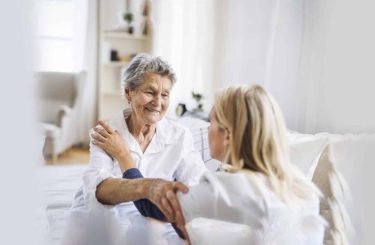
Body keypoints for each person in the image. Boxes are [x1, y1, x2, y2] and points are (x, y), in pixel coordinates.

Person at [94, 84, 325, 244]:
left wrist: (125, 156)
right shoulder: (300, 185)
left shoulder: (224, 187)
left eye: (211, 121)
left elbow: (150, 206)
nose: (207, 129)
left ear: (227, 135)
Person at [62, 54, 207, 245]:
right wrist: (147, 187)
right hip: (107, 217)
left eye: (165, 95)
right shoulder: (106, 133)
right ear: (129, 92)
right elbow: (99, 191)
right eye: (150, 92)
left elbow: (198, 188)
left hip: (153, 220)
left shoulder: (180, 136)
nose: (158, 102)